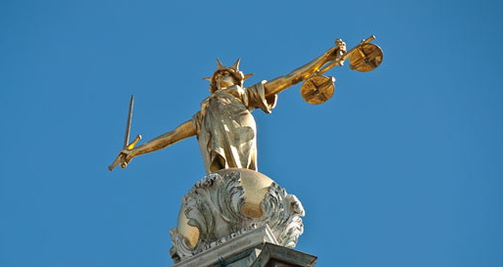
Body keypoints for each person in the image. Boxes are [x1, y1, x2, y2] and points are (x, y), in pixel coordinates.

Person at [110, 41, 346, 174]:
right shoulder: (204, 113)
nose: (222, 76)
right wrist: (135, 152)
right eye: (219, 76)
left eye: (227, 74)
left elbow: (290, 78)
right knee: (223, 176)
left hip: (241, 126)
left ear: (237, 80)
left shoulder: (245, 94)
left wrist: (325, 57)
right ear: (212, 85)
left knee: (243, 175)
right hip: (215, 130)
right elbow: (172, 136)